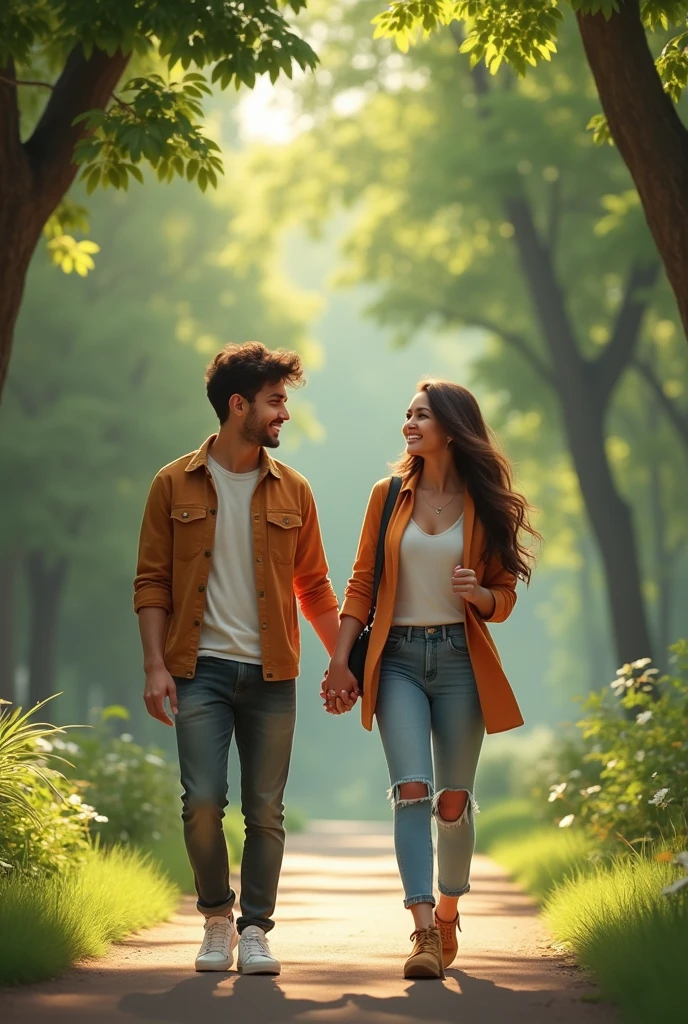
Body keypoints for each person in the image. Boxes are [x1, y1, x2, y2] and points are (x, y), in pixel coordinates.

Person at [134, 342, 341, 976]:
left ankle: (256, 930)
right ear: (238, 404)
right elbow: (152, 584)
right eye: (276, 402)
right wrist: (154, 666)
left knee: (266, 811)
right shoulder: (172, 484)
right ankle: (217, 919)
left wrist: (344, 662)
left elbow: (315, 587)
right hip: (199, 671)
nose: (284, 414)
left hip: (273, 675)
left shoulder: (294, 490)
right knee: (201, 802)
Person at [322, 378, 539, 979]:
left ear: (450, 425)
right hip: (395, 661)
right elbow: (361, 582)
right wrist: (341, 659)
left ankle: (447, 913)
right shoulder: (388, 496)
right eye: (407, 415)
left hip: (459, 659)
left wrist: (482, 596)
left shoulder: (483, 501)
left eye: (421, 415)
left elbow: (506, 594)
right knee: (412, 789)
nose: (409, 424)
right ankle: (421, 934)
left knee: (453, 801)